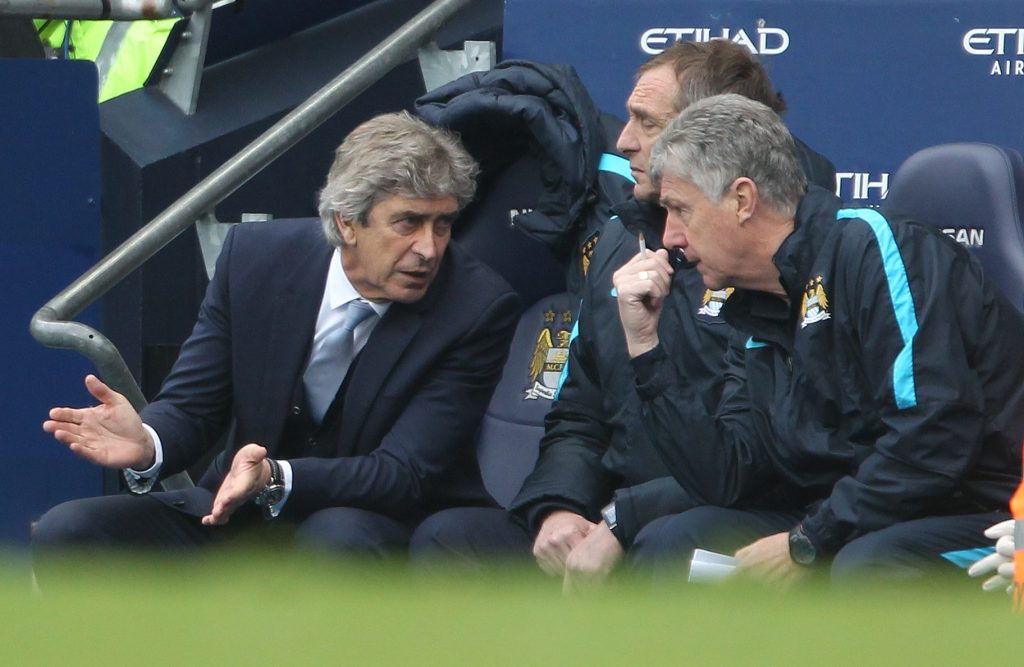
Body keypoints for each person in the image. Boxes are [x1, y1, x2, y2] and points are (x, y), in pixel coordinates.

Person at [410, 41, 834, 590]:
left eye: (646, 122)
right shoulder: (617, 237)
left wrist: (624, 520)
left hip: (723, 515)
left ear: (716, 132)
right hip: (614, 514)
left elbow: (767, 458)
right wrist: (558, 508)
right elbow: (581, 410)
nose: (623, 141)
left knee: (668, 545)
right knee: (449, 540)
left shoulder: (785, 251)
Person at [33, 112, 520, 575]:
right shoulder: (254, 259)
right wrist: (148, 443)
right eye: (408, 223)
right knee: (71, 530)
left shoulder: (476, 305)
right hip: (244, 508)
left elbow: (403, 473)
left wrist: (276, 477)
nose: (430, 248)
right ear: (347, 221)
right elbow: (193, 407)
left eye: (444, 223)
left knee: (334, 535)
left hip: (385, 520)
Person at [614, 93, 1024, 582]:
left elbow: (934, 432)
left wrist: (810, 540)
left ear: (742, 200)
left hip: (981, 513)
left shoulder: (873, 250)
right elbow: (726, 476)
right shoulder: (751, 306)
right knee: (676, 541)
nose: (671, 237)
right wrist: (645, 348)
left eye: (680, 210)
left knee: (867, 566)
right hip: (853, 515)